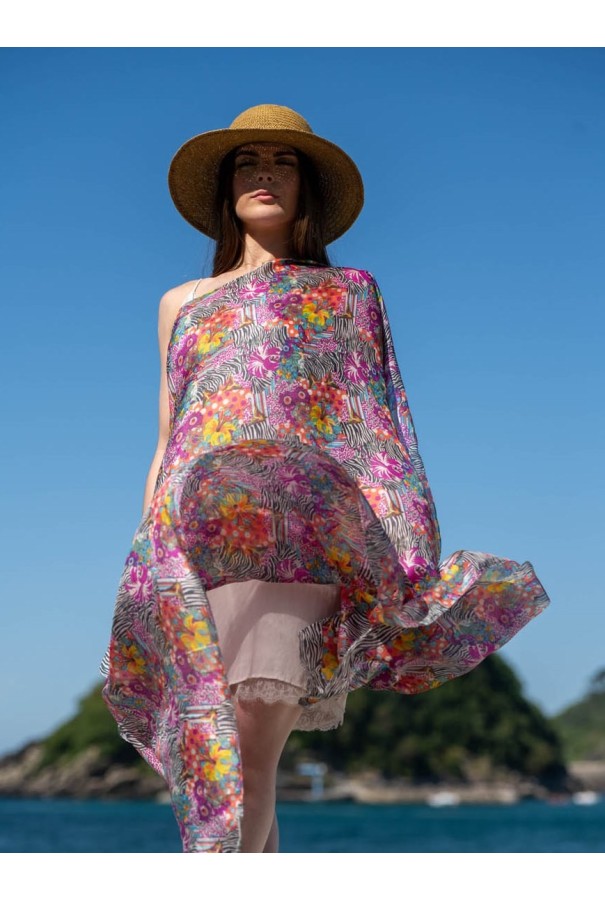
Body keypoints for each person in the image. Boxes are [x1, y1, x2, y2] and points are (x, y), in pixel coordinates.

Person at [99, 103, 551, 853]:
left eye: (283, 163)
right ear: (226, 189)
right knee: (220, 752)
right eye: (248, 163)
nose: (265, 175)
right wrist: (147, 546)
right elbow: (170, 434)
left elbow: (376, 423)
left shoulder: (350, 292)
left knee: (246, 749)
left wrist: (401, 534)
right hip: (200, 544)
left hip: (305, 542)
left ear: (306, 188)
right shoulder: (180, 303)